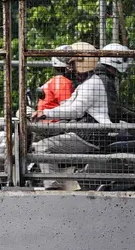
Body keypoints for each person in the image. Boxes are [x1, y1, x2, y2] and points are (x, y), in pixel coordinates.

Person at [30, 42, 129, 188]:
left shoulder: (93, 83)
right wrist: (42, 113)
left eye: (73, 63)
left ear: (83, 62)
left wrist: (45, 113)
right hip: (88, 133)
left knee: (43, 146)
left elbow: (76, 110)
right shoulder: (89, 82)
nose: (70, 67)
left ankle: (53, 188)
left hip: (90, 135)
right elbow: (69, 104)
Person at [37, 44, 75, 115]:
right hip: (53, 122)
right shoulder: (63, 82)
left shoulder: (56, 80)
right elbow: (67, 108)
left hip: (47, 120)